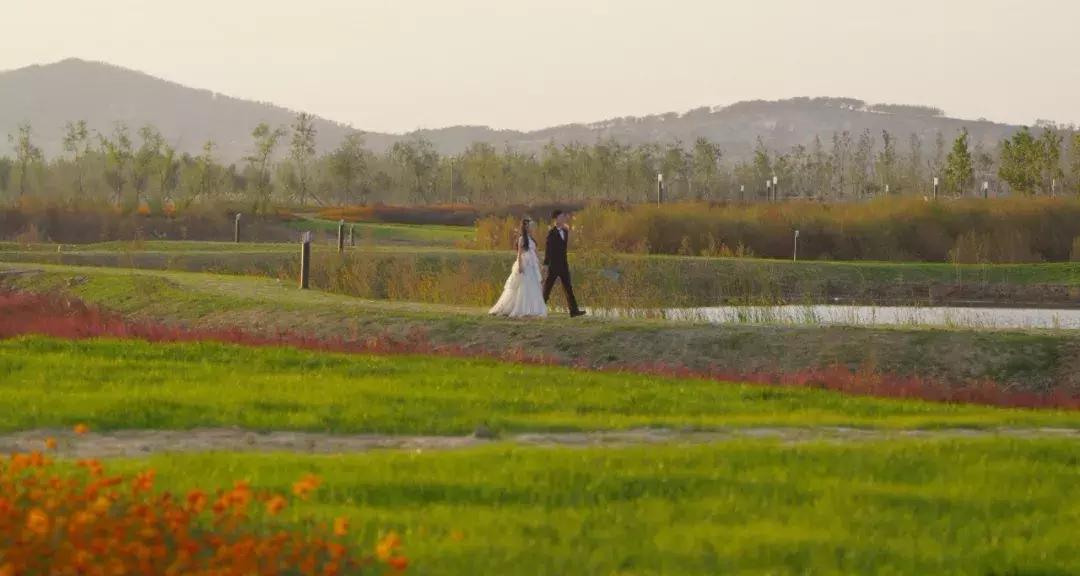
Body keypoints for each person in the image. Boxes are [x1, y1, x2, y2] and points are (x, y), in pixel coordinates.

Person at [489, 218, 547, 318]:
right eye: (528, 226)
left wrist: (541, 265)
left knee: (533, 286)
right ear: (525, 228)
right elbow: (519, 253)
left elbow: (536, 253)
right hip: (524, 264)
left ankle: (533, 309)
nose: (530, 228)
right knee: (522, 286)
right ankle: (517, 308)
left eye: (530, 226)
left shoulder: (532, 240)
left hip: (532, 266)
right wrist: (520, 266)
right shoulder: (521, 239)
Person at [543, 210, 585, 317]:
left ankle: (574, 311)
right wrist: (546, 264)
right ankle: (539, 309)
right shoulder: (551, 233)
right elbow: (548, 250)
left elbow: (564, 248)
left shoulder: (565, 231)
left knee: (568, 288)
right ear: (556, 219)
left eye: (564, 217)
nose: (563, 218)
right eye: (561, 217)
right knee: (547, 288)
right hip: (553, 265)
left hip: (563, 265)